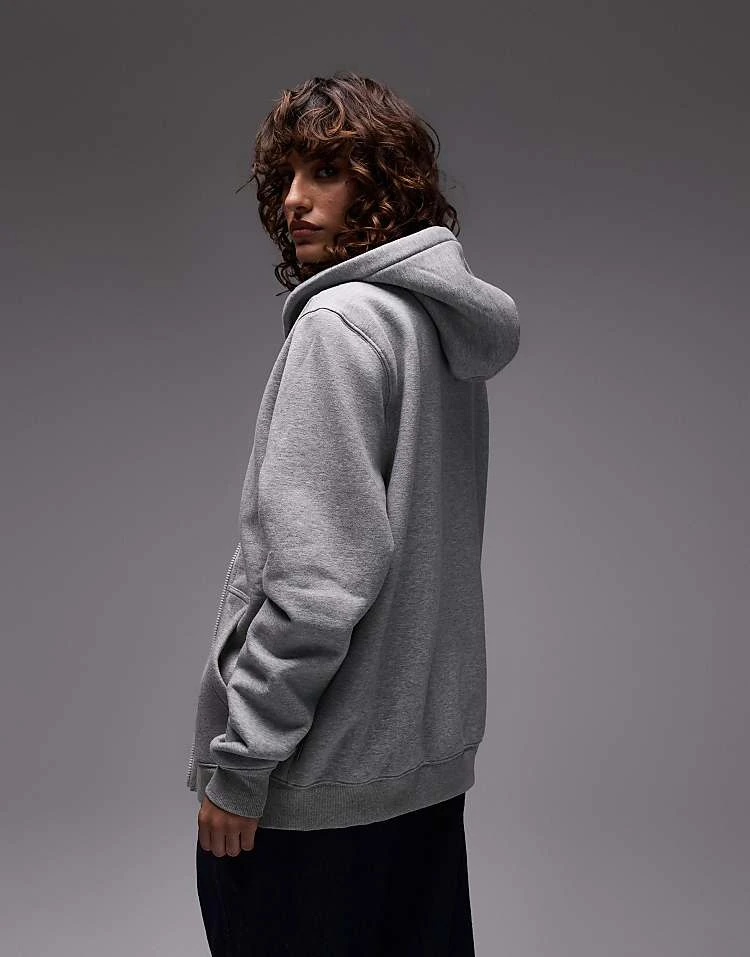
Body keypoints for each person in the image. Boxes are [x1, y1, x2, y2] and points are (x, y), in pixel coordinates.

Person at [185, 70, 520, 956]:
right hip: (419, 781)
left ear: (384, 184)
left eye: (325, 172)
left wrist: (242, 763)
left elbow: (316, 582)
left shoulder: (339, 327)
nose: (294, 200)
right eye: (286, 177)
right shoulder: (432, 328)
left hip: (318, 794)